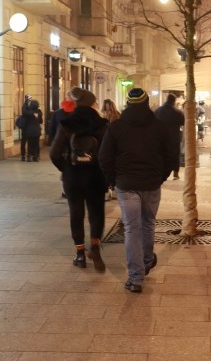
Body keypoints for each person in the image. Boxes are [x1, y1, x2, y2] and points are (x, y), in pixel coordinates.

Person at [99, 88, 176, 293]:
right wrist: (161, 176)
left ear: (127, 103)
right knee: (148, 224)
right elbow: (171, 155)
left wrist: (113, 180)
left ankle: (135, 278)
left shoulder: (116, 127)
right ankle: (147, 260)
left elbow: (104, 157)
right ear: (146, 102)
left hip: (126, 184)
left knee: (132, 229)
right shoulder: (159, 127)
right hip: (151, 183)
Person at [50, 87, 108, 271]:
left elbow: (54, 153)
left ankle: (80, 254)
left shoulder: (66, 124)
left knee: (76, 213)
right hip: (96, 176)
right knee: (96, 212)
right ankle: (96, 246)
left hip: (73, 177)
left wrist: (66, 168)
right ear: (92, 104)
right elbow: (107, 154)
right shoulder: (102, 125)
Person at [155, 93, 184, 180]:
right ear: (174, 101)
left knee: (162, 155)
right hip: (174, 138)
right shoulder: (178, 112)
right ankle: (175, 173)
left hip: (160, 138)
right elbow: (183, 122)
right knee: (175, 155)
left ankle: (161, 172)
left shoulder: (158, 111)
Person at [19, 94, 33, 161]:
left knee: (28, 141)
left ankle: (28, 155)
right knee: (24, 141)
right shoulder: (25, 106)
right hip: (25, 126)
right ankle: (23, 155)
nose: (30, 100)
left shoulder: (29, 106)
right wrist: (31, 113)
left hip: (29, 126)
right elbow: (25, 113)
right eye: (29, 99)